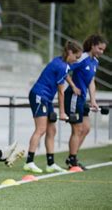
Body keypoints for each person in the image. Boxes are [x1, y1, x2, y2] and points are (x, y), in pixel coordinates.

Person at [23, 41, 83, 174]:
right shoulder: (61, 66)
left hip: (47, 98)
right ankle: (29, 162)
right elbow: (61, 92)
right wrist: (62, 112)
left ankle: (50, 164)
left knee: (52, 130)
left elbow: (65, 74)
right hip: (39, 95)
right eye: (76, 57)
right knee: (41, 129)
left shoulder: (61, 62)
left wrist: (73, 86)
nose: (76, 60)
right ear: (70, 53)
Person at [64, 34, 107, 170]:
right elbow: (64, 70)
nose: (101, 52)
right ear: (93, 46)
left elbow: (91, 81)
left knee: (86, 128)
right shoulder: (81, 57)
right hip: (73, 97)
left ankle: (72, 157)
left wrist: (93, 100)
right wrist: (73, 86)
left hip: (82, 99)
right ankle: (72, 160)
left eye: (103, 50)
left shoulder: (95, 61)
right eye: (100, 48)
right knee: (77, 129)